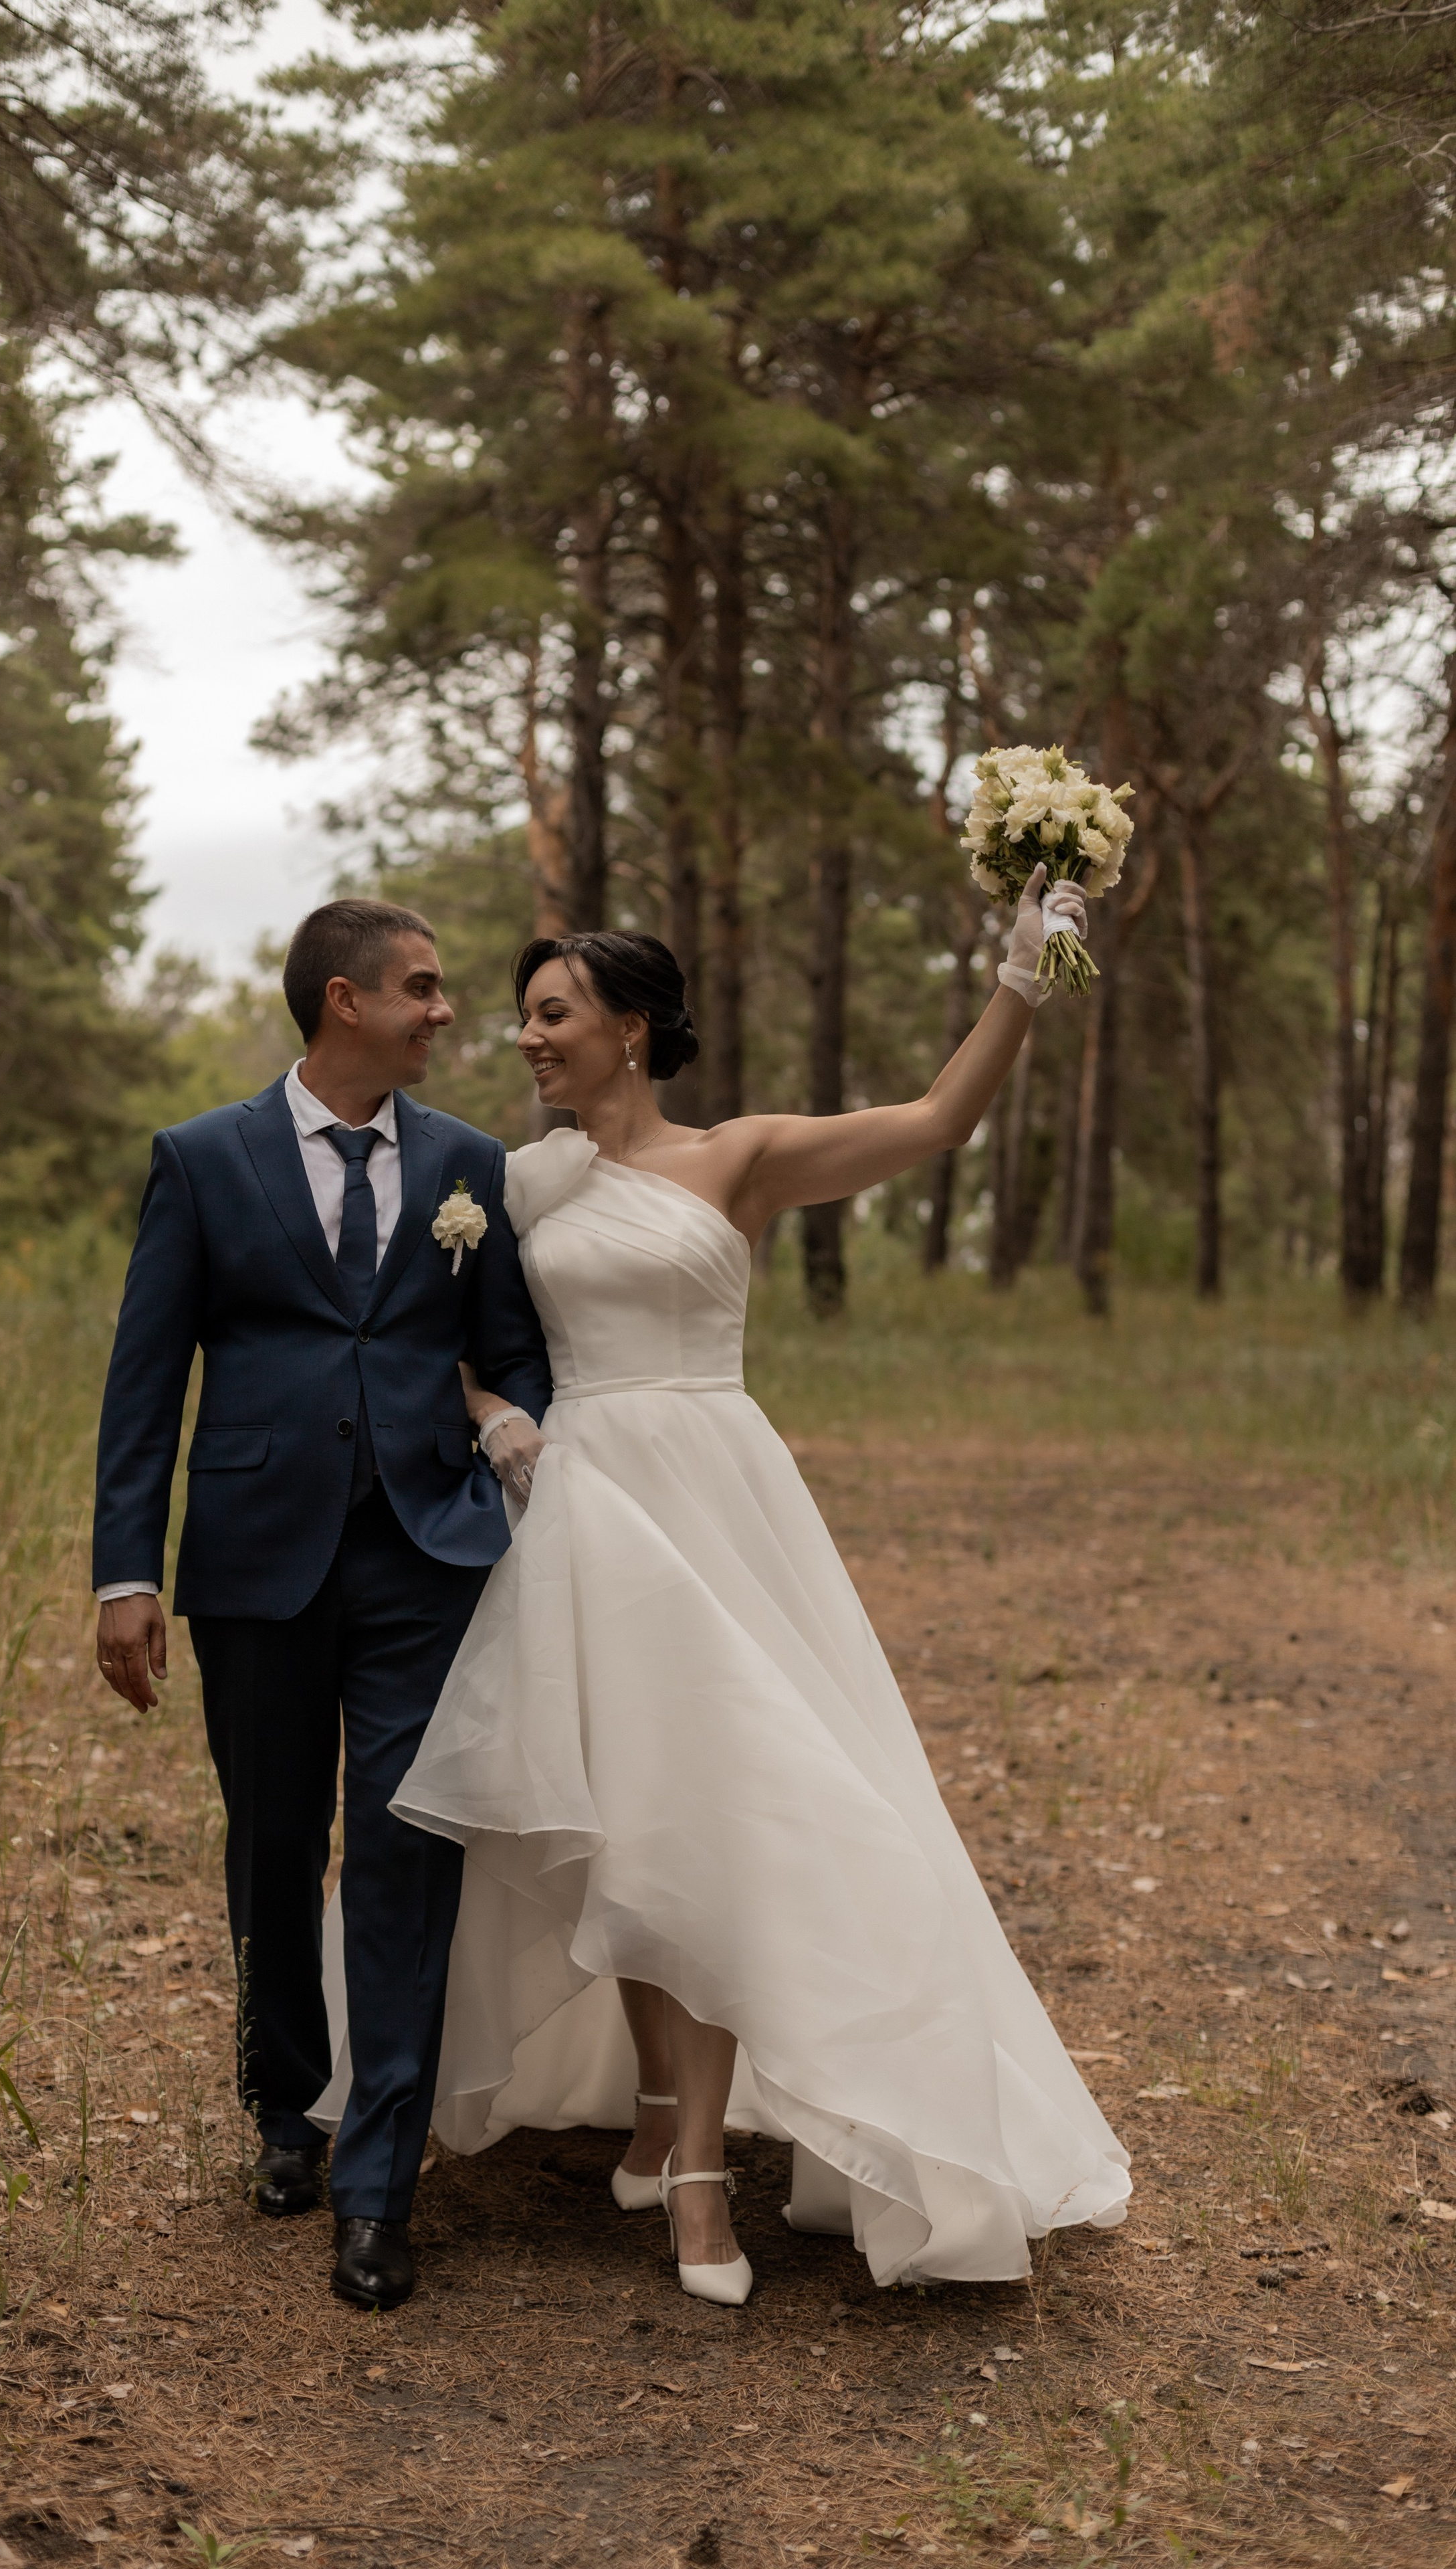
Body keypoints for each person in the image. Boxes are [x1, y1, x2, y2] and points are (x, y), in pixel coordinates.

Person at [381, 862, 1130, 2306]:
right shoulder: (517, 1183)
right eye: (526, 1018)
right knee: (639, 1814)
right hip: (586, 1507)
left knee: (729, 1805)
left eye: (556, 1015)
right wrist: (495, 1420)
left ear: (636, 1029)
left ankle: (704, 2154)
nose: (528, 1038)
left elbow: (933, 1121)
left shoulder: (740, 1158)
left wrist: (1019, 977)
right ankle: (672, 2123)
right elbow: (457, 1344)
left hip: (718, 1497)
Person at [90, 898, 551, 2311]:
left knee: (410, 1846)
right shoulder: (203, 1159)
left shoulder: (471, 1166)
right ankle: (283, 2102)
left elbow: (513, 1357)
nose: (444, 1012)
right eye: (421, 988)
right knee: (275, 1840)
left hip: (425, 1554)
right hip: (255, 1555)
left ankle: (376, 2181)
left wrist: (497, 1426)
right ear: (341, 1001)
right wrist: (126, 1569)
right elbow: (145, 1379)